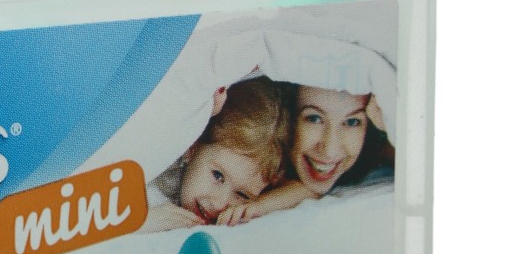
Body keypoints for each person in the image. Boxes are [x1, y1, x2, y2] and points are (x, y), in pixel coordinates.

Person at [216, 84, 389, 225]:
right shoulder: (260, 146)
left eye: (351, 122)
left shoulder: (373, 146)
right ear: (288, 119)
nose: (330, 150)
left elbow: (310, 189)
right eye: (314, 118)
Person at [142, 77, 290, 231]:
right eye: (218, 175)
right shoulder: (151, 181)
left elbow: (305, 189)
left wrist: (262, 205)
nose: (219, 204)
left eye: (242, 195)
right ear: (192, 147)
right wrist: (141, 223)